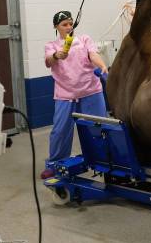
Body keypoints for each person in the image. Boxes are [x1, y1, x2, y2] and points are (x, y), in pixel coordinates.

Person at [40, 11, 108, 179]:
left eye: (70, 23)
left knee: (98, 127)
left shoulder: (84, 39)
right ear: (56, 27)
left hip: (91, 90)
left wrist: (102, 65)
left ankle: (103, 161)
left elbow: (93, 54)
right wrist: (57, 55)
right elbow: (49, 61)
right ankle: (55, 164)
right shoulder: (52, 45)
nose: (69, 27)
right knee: (60, 131)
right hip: (65, 94)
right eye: (64, 24)